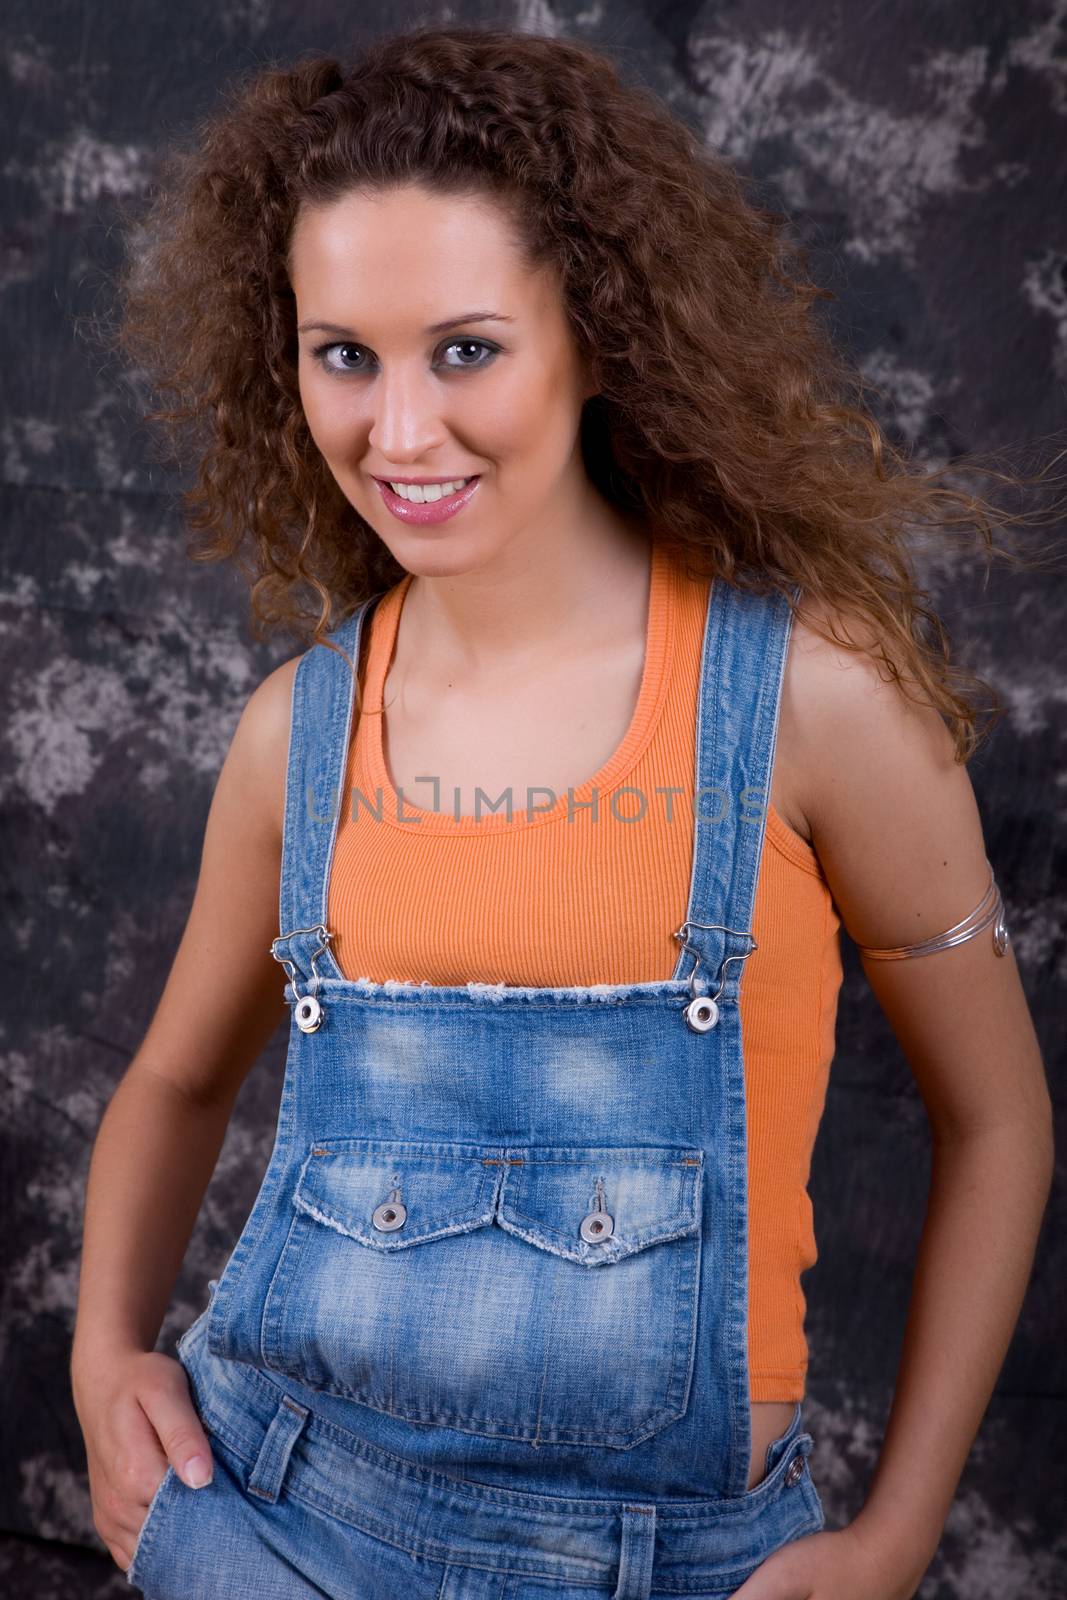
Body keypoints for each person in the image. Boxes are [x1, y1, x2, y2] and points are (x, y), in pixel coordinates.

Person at [71, 23, 1055, 1600]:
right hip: (269, 1533)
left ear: (593, 335)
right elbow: (177, 1083)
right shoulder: (294, 737)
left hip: (677, 1567)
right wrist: (102, 1361)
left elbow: (1001, 1122)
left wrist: (892, 1541)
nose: (399, 435)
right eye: (345, 354)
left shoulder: (813, 706)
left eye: (466, 349)